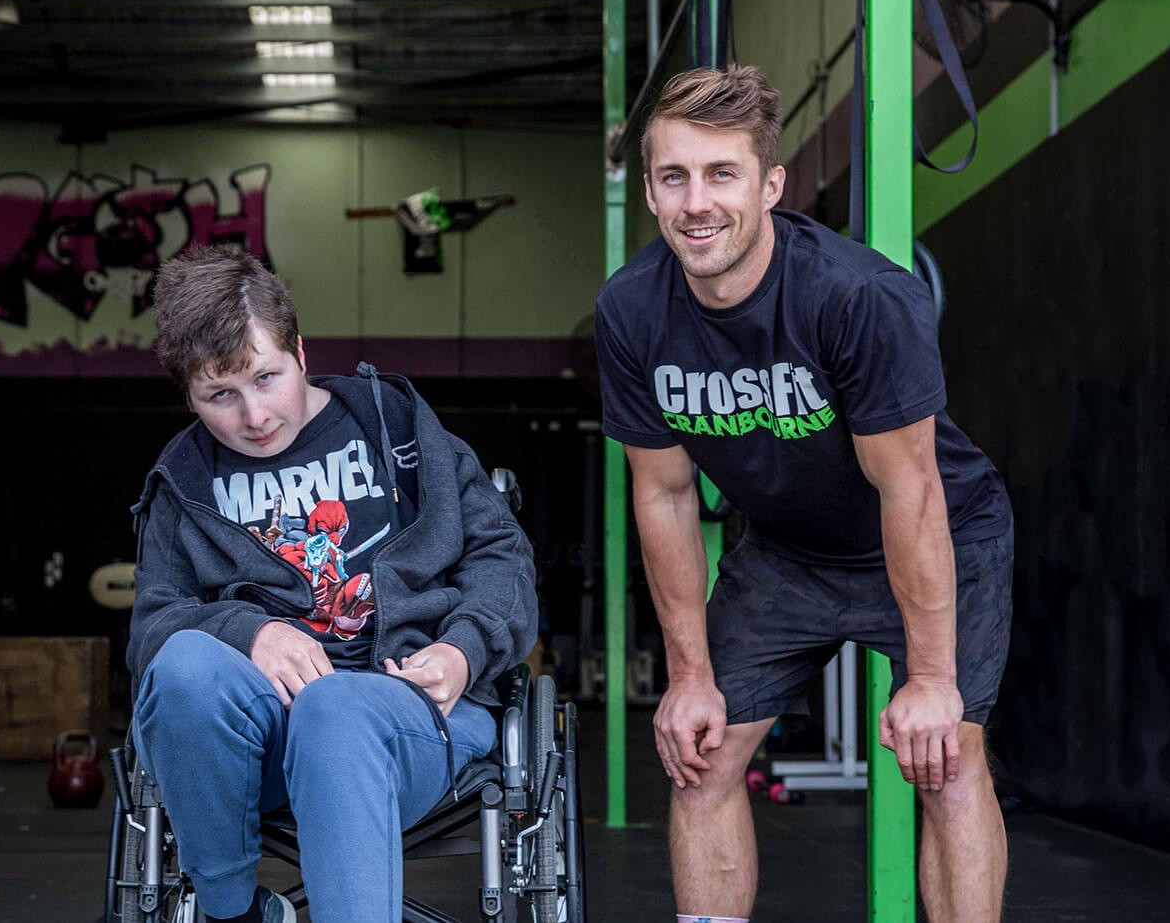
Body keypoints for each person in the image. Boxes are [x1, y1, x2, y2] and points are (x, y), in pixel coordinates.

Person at [595, 65, 1015, 923]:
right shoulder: (633, 311)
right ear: (650, 190)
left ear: (771, 185)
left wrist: (933, 676)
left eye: (722, 175)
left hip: (941, 535)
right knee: (702, 754)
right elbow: (665, 498)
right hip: (789, 552)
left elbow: (913, 493)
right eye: (675, 177)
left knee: (948, 756)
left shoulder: (856, 297)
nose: (697, 202)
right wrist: (689, 677)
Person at [126, 246, 538, 923]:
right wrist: (248, 631)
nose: (253, 416)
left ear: (300, 350)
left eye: (266, 377)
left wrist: (464, 650)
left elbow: (503, 559)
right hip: (253, 745)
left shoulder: (398, 427)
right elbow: (152, 628)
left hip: (411, 721)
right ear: (187, 393)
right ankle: (235, 912)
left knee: (335, 709)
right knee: (184, 668)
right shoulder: (184, 481)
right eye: (219, 395)